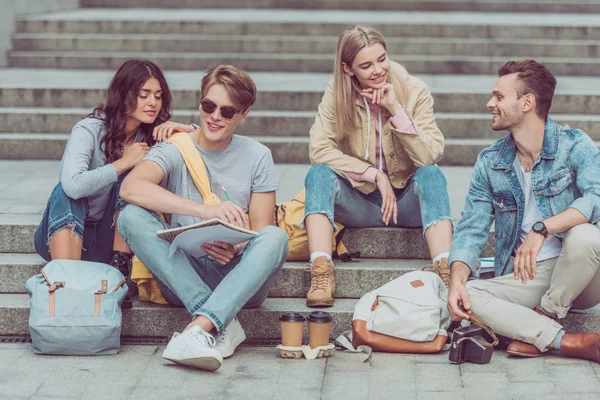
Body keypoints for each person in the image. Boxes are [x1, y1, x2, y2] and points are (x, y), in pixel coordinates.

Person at [118, 65, 288, 371]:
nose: (215, 116)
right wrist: (203, 210)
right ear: (200, 103)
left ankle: (198, 327)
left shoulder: (257, 155)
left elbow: (263, 230)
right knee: (130, 217)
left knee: (276, 237)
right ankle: (217, 322)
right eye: (209, 106)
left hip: (239, 275)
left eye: (227, 111)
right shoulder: (176, 148)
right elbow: (131, 187)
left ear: (243, 114)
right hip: (183, 273)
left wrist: (237, 248)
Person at [447, 59, 600, 363]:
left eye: (499, 97)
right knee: (470, 295)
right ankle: (564, 340)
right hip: (529, 276)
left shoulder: (574, 145)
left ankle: (546, 316)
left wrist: (542, 228)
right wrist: (456, 279)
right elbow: (471, 228)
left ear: (527, 102)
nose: (490, 103)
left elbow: (597, 196)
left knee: (585, 235)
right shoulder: (491, 162)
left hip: (584, 272)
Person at [303, 25, 453, 307]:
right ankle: (321, 273)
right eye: (366, 65)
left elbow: (430, 155)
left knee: (432, 175)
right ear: (348, 69)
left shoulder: (414, 90)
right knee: (318, 175)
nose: (377, 70)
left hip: (407, 203)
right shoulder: (337, 94)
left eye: (381, 59)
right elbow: (319, 150)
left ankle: (445, 272)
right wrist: (375, 175)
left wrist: (396, 109)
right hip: (361, 202)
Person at [34, 59, 173, 308]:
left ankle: (119, 270)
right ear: (123, 94)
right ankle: (69, 282)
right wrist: (123, 162)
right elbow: (73, 185)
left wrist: (184, 128)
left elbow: (199, 147)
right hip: (69, 235)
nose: (153, 102)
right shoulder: (88, 129)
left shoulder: (152, 137)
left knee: (132, 183)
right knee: (64, 193)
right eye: (144, 95)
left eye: (158, 96)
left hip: (109, 245)